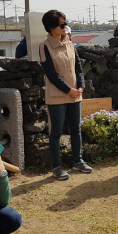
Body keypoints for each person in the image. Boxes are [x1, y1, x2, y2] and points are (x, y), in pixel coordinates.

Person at [39, 9, 92, 180]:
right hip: (57, 96)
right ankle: (57, 167)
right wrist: (69, 90)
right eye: (62, 24)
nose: (65, 26)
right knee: (56, 132)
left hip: (76, 93)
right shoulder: (45, 46)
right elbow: (52, 75)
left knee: (76, 129)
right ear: (51, 27)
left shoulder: (70, 42)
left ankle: (78, 161)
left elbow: (78, 67)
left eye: (65, 23)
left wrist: (81, 87)